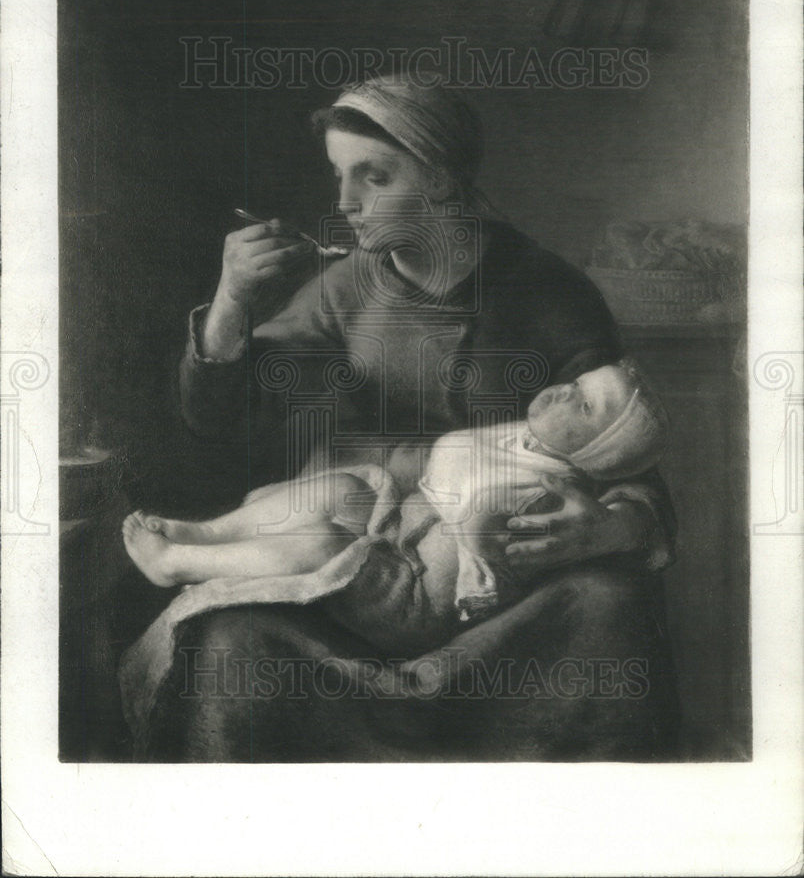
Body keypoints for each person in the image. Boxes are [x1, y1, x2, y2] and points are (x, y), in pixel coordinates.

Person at [123, 76, 680, 761]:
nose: (345, 203)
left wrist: (609, 525)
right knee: (231, 635)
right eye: (339, 176)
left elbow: (627, 452)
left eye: (374, 177)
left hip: (487, 579)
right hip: (363, 548)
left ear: (445, 180)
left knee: (607, 603)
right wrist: (233, 302)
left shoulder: (547, 293)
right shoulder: (345, 286)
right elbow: (220, 419)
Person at [123, 358, 668, 641]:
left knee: (319, 541)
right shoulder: (523, 437)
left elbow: (482, 539)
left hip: (412, 594)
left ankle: (177, 562)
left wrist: (473, 519)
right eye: (578, 380)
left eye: (587, 406)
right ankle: (210, 531)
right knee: (342, 488)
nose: (567, 389)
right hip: (402, 526)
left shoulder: (552, 492)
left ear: (597, 449)